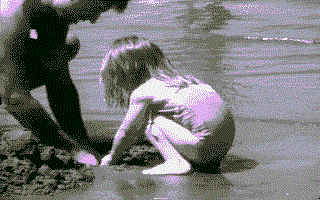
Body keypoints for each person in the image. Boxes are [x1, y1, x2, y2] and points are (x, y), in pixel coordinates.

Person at [0, 0, 130, 165]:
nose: (93, 19)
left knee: (67, 45)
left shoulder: (53, 14)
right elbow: (15, 98)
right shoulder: (8, 13)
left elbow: (60, 81)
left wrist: (82, 143)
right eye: (97, 8)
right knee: (9, 86)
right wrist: (71, 149)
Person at [99, 35, 235, 175]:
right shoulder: (186, 79)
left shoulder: (144, 91)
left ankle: (176, 162)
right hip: (224, 147)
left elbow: (127, 132)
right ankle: (197, 157)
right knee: (185, 116)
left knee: (149, 118)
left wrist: (112, 157)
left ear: (127, 73)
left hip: (203, 149)